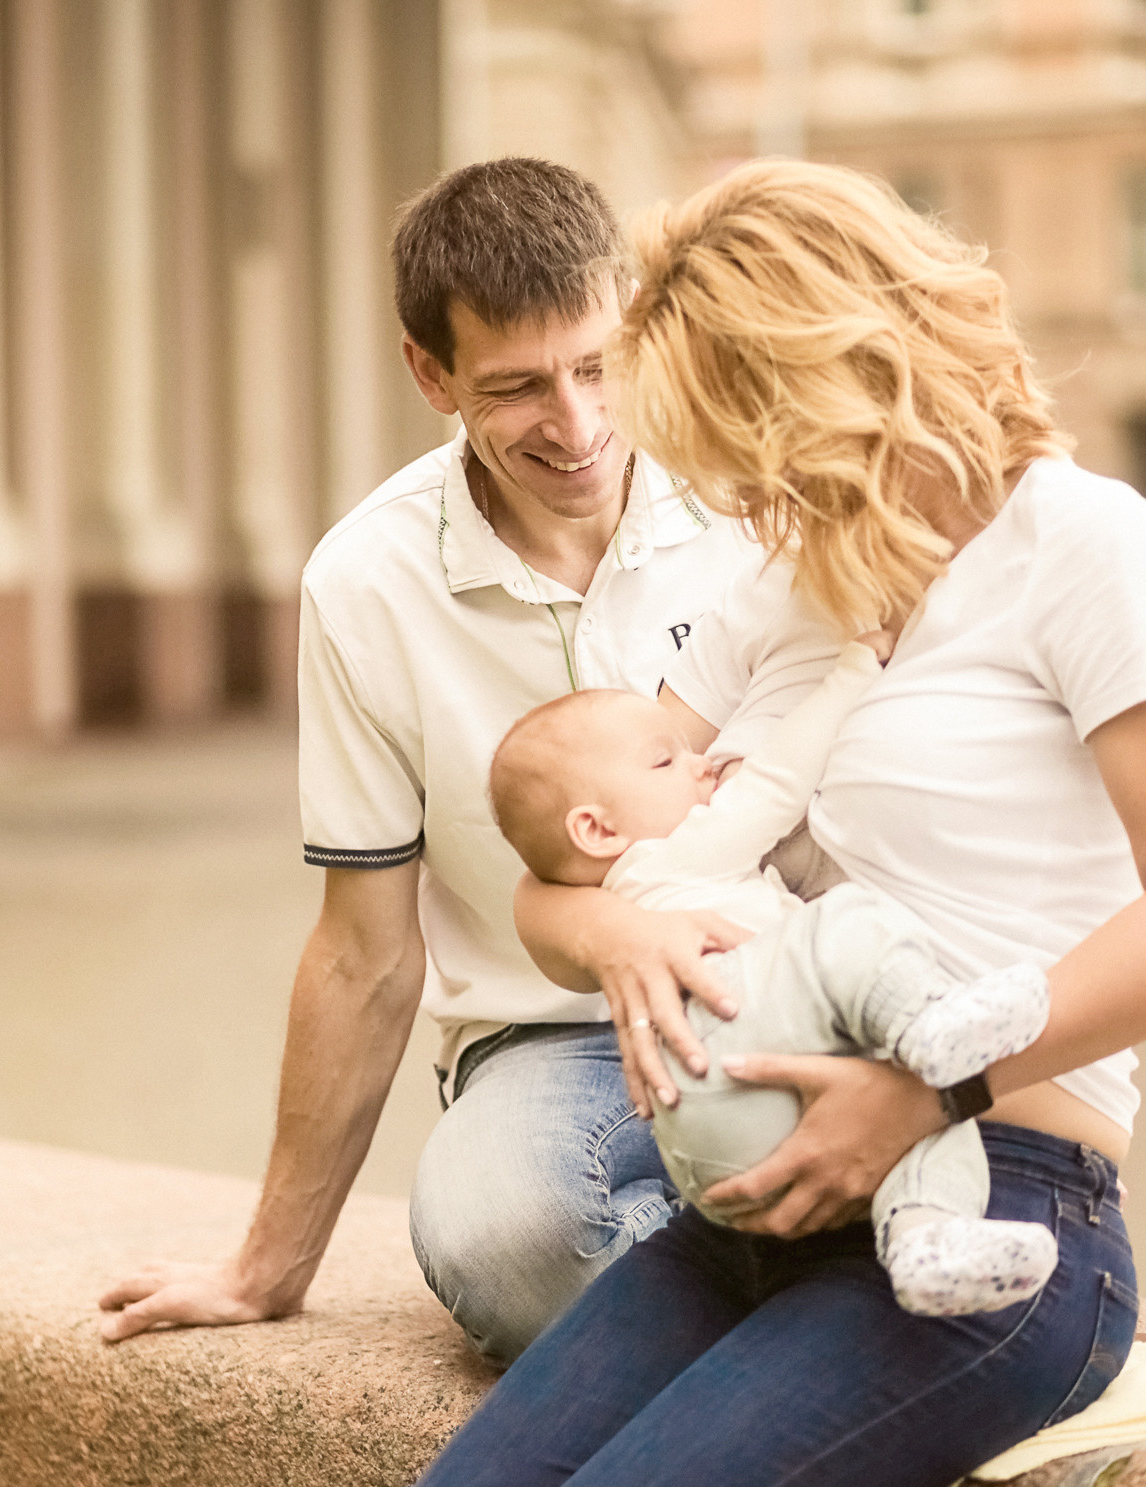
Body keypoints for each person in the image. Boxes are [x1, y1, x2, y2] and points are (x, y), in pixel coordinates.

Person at [340, 159, 1146, 1487]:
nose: (734, 487)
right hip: (750, 1213)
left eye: (744, 428)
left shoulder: (1085, 551)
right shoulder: (799, 580)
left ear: (843, 363)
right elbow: (562, 868)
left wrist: (932, 1090)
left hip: (999, 1214)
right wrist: (615, 935)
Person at [97, 159, 761, 1366]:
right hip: (551, 1047)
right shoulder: (366, 584)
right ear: (431, 373)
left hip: (780, 985)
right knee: (505, 1241)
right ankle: (799, 1302)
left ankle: (713, 1300)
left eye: (597, 365)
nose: (577, 425)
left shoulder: (748, 502)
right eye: (517, 388)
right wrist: (267, 1266)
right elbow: (364, 949)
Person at [485, 652, 1060, 1318]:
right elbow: (779, 781)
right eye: (665, 762)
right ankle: (926, 1023)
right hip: (748, 1048)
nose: (701, 762)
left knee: (919, 1120)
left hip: (707, 1135)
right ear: (598, 829)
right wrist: (852, 674)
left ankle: (927, 1243)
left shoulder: (645, 894)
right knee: (847, 923)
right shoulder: (670, 856)